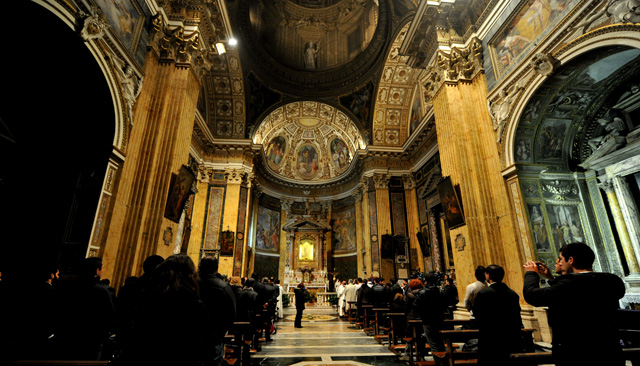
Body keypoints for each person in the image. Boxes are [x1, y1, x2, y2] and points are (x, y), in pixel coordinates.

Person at [523, 243, 626, 366]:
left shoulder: (569, 285)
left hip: (575, 353)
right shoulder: (612, 281)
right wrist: (551, 278)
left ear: (571, 260)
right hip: (608, 350)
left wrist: (531, 273)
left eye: (561, 259)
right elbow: (575, 292)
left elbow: (532, 295)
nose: (560, 263)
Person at [56, 257, 116, 361]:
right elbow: (109, 315)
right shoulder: (101, 291)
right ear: (97, 270)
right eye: (102, 268)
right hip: (93, 338)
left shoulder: (69, 288)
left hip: (69, 335)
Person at [473, 265, 523, 365]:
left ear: (488, 276)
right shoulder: (513, 294)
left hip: (490, 337)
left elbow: (477, 314)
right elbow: (517, 316)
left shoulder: (484, 294)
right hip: (510, 337)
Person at [198, 256, 236, 366]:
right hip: (214, 338)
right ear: (216, 269)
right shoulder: (223, 286)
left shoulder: (188, 283)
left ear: (199, 266)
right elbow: (231, 315)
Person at [414, 273, 447, 366]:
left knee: (433, 344)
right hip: (439, 319)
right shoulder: (440, 291)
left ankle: (438, 363)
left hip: (427, 320)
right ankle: (444, 363)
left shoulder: (422, 292)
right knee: (440, 343)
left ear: (425, 281)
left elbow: (416, 306)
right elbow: (445, 304)